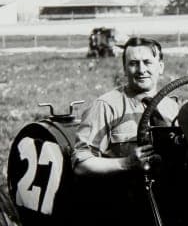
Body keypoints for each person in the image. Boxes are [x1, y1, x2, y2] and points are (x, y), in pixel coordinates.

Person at [73, 36, 180, 175]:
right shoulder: (106, 106)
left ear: (160, 67)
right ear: (124, 69)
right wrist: (126, 163)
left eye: (147, 62)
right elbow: (80, 165)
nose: (141, 70)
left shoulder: (171, 107)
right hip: (121, 192)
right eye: (134, 63)